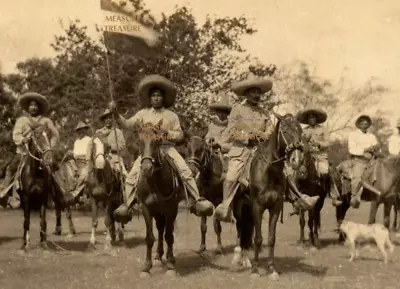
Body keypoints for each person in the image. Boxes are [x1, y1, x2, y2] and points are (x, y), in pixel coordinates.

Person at [111, 75, 214, 222]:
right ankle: (127, 205)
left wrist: (164, 133)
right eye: (153, 96)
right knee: (133, 175)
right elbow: (127, 124)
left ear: (163, 98)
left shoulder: (171, 116)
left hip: (167, 149)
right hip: (148, 150)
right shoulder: (142, 114)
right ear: (150, 98)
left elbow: (179, 135)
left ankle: (196, 200)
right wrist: (116, 114)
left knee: (184, 170)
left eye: (159, 95)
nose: (156, 98)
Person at [213, 74, 276, 222]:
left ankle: (296, 197)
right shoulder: (237, 110)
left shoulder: (265, 113)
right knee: (231, 177)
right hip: (242, 151)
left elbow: (270, 130)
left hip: (261, 151)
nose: (256, 95)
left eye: (258, 92)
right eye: (253, 92)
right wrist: (248, 137)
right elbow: (231, 131)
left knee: (282, 171)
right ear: (246, 93)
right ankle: (225, 207)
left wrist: (262, 136)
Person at [0, 92, 59, 202]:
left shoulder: (46, 121)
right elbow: (16, 134)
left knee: (53, 168)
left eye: (36, 105)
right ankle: (4, 194)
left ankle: (59, 193)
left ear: (39, 107)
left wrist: (50, 147)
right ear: (28, 107)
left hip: (42, 153)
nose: (33, 107)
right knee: (11, 169)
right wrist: (22, 140)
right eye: (31, 105)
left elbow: (55, 135)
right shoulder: (22, 121)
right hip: (23, 152)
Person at [296, 107, 342, 206]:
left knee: (326, 171)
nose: (311, 119)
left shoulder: (323, 129)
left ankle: (333, 195)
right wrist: (304, 144)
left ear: (316, 119)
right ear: (307, 120)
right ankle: (294, 196)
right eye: (309, 118)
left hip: (320, 156)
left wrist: (318, 143)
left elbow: (327, 143)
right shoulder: (303, 131)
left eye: (313, 117)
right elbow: (299, 143)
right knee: (295, 171)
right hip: (306, 157)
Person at [343, 115, 382, 208]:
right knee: (357, 177)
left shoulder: (371, 136)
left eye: (366, 124)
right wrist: (365, 149)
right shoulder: (353, 135)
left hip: (372, 160)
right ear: (359, 125)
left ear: (368, 125)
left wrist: (377, 149)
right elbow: (352, 149)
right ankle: (353, 196)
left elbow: (377, 149)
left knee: (383, 172)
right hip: (359, 160)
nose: (364, 125)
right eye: (362, 123)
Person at [66, 121, 104, 204]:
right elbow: (75, 153)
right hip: (76, 162)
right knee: (67, 168)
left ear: (86, 130)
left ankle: (76, 194)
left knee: (84, 174)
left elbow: (98, 147)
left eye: (83, 130)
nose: (81, 132)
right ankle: (69, 190)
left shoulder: (90, 140)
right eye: (79, 130)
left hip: (86, 162)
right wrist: (71, 153)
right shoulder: (76, 141)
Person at [96, 109, 127, 176]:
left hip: (115, 158)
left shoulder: (118, 132)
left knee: (125, 177)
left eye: (110, 118)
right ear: (104, 120)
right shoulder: (98, 132)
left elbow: (122, 145)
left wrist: (110, 146)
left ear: (113, 119)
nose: (108, 120)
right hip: (101, 157)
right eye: (106, 118)